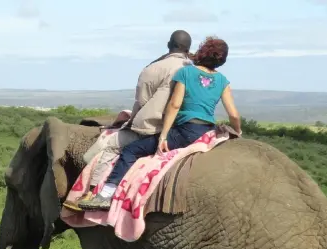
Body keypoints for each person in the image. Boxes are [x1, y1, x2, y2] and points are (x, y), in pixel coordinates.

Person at [78, 36, 241, 211]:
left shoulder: (186, 73)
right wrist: (237, 131)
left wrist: (163, 135)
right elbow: (233, 114)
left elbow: (175, 105)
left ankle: (105, 195)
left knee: (131, 150)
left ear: (203, 52)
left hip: (185, 132)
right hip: (206, 131)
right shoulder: (223, 81)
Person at [71, 31, 194, 205]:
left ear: (169, 44)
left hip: (152, 129)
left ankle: (95, 193)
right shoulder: (193, 70)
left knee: (110, 146)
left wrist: (132, 121)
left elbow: (142, 101)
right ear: (188, 48)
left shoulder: (152, 68)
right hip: (184, 129)